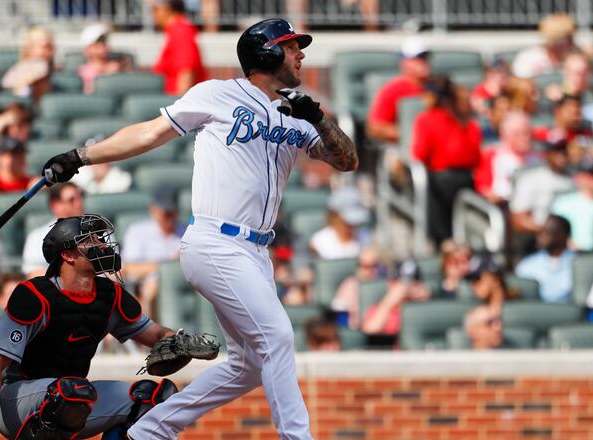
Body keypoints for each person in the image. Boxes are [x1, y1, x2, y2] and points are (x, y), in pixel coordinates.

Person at [41, 18, 358, 439]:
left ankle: (150, 430)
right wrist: (82, 155)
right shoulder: (218, 93)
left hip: (256, 253)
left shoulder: (296, 110)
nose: (300, 53)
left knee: (248, 367)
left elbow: (347, 160)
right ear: (265, 53)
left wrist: (317, 117)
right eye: (290, 46)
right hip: (215, 240)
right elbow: (150, 134)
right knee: (278, 334)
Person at [0, 214, 206, 440]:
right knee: (71, 392)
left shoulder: (110, 295)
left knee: (149, 399)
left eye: (100, 238)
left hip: (72, 398)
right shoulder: (34, 295)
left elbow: (156, 334)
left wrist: (177, 340)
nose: (102, 245)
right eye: (90, 240)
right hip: (14, 399)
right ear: (67, 255)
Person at [411, 76, 481, 245]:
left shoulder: (427, 119)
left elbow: (420, 153)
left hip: (442, 182)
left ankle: (442, 244)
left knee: (443, 234)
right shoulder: (465, 118)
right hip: (467, 180)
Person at [121, 186, 187, 318]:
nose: (169, 216)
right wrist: (168, 266)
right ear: (153, 209)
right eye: (165, 212)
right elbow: (127, 270)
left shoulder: (187, 232)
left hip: (184, 286)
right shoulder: (138, 232)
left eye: (172, 211)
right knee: (153, 286)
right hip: (145, 288)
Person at [367, 37, 431, 144]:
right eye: (417, 57)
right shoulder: (392, 90)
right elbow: (375, 128)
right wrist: (411, 133)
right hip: (402, 146)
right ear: (404, 63)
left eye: (425, 57)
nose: (422, 61)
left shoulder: (438, 86)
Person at [509, 135, 574, 235]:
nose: (562, 156)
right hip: (541, 237)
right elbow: (518, 219)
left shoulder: (575, 179)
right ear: (547, 154)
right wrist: (546, 232)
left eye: (564, 151)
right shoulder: (531, 179)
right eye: (556, 151)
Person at [476, 111, 542, 203]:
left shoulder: (540, 156)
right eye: (517, 134)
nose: (525, 137)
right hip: (503, 206)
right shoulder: (491, 155)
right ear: (505, 135)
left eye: (527, 132)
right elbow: (482, 189)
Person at [22, 182, 85, 277]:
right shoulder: (36, 237)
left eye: (80, 197)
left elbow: (112, 271)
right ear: (55, 205)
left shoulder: (99, 232)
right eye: (71, 200)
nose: (79, 204)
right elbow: (34, 274)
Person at [151, 0, 208, 95]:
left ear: (167, 9)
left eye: (155, 9)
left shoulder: (181, 31)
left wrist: (178, 105)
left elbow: (187, 73)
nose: (153, 14)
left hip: (176, 102)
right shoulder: (176, 30)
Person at [361, 259, 431, 336]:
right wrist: (387, 304)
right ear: (390, 284)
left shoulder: (421, 306)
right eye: (399, 282)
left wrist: (425, 301)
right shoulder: (378, 309)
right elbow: (369, 332)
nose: (406, 288)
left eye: (413, 283)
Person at [515, 215, 575, 304]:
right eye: (540, 230)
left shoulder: (580, 263)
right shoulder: (527, 264)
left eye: (548, 230)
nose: (540, 235)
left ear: (564, 235)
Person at [331, 246, 386, 330]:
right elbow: (340, 317)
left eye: (374, 266)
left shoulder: (388, 286)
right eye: (365, 266)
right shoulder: (349, 285)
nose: (369, 270)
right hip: (357, 330)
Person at [309, 187, 371, 259]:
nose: (352, 226)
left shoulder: (368, 238)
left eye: (355, 223)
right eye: (347, 223)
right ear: (335, 217)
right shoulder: (319, 241)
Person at [512, 13, 577, 78]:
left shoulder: (576, 58)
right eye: (566, 38)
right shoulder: (529, 57)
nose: (571, 43)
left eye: (570, 38)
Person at [1, 26, 54, 103]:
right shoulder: (21, 68)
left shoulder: (56, 70)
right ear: (31, 48)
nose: (51, 51)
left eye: (52, 47)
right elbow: (8, 84)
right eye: (46, 47)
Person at [78, 23, 127, 94]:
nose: (102, 45)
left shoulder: (120, 65)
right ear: (87, 49)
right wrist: (106, 74)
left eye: (104, 41)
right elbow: (87, 94)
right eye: (98, 42)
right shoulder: (83, 71)